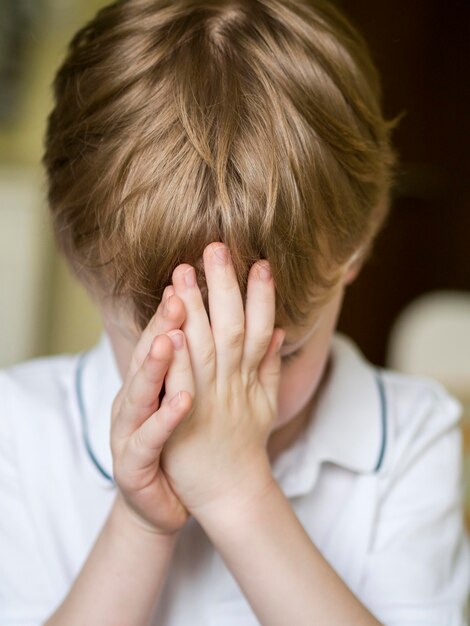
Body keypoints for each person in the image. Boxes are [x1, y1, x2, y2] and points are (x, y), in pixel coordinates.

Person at [1, 0, 469, 623]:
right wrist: (138, 525)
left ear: (356, 249)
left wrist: (238, 494)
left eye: (280, 352)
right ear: (78, 262)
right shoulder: (21, 431)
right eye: (175, 362)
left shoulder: (413, 437)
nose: (218, 408)